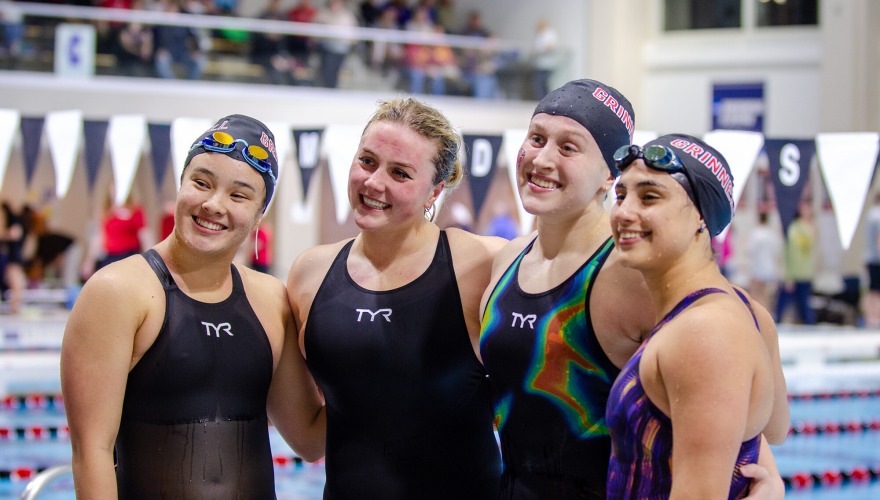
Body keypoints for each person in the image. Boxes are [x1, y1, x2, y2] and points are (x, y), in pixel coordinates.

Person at [479, 80, 788, 499]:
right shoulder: (506, 261)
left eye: (569, 147)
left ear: (608, 174)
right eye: (536, 138)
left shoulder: (634, 274)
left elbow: (719, 382)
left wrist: (765, 478)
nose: (542, 158)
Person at [61, 114, 324, 497]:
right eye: (201, 183)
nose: (213, 205)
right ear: (182, 185)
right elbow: (91, 453)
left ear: (258, 214)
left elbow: (309, 439)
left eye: (238, 195)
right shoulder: (117, 291)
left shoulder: (270, 300)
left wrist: (381, 374)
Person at [286, 96, 506, 498]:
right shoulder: (310, 273)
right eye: (367, 161)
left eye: (400, 173)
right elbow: (307, 439)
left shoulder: (481, 264)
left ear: (435, 191)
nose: (373, 183)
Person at [606, 133, 785, 498]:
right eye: (621, 195)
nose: (624, 212)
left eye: (650, 196)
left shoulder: (704, 332)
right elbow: (774, 428)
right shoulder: (748, 311)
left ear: (702, 215)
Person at [775, 200, 817, 325]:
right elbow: (790, 254)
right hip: (794, 272)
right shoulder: (794, 228)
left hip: (806, 271)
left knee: (804, 303)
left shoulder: (811, 228)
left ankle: (808, 324)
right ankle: (777, 322)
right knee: (784, 302)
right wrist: (788, 275)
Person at [747, 211, 783, 312]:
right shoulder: (771, 234)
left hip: (758, 268)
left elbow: (750, 250)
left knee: (755, 293)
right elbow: (777, 251)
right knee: (766, 294)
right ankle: (767, 313)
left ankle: (755, 314)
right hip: (769, 268)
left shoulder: (756, 233)